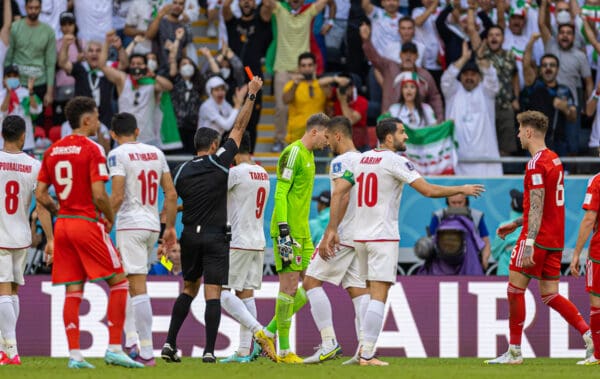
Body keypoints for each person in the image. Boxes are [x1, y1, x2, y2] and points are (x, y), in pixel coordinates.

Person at [320, 117, 484, 366]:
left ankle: (362, 350)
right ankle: (367, 354)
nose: (406, 136)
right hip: (382, 237)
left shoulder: (361, 159)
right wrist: (460, 188)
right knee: (379, 294)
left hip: (360, 237)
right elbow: (427, 190)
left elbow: (340, 190)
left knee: (366, 293)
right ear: (389, 138)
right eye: (402, 132)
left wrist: (332, 227)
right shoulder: (396, 161)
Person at [35, 96, 144, 369]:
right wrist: (109, 216)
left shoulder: (52, 150)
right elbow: (98, 194)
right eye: (96, 117)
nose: (99, 122)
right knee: (119, 281)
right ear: (86, 120)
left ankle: (75, 355)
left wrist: (60, 208)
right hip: (86, 223)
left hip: (64, 226)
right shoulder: (93, 149)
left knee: (73, 289)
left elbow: (40, 195)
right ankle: (115, 348)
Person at [160, 76, 263, 364]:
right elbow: (240, 126)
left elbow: (174, 200)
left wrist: (166, 226)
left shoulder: (180, 171)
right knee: (213, 293)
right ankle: (208, 351)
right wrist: (251, 95)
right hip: (217, 236)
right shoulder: (220, 162)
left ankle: (169, 344)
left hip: (189, 235)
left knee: (188, 289)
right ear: (216, 143)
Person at [485, 110, 593, 365]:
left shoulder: (535, 163)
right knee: (550, 294)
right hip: (555, 238)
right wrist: (515, 222)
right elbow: (545, 205)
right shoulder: (555, 160)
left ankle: (514, 352)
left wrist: (529, 240)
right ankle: (589, 336)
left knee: (514, 290)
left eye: (520, 129)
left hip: (537, 238)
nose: (518, 134)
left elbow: (536, 205)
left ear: (529, 131)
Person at [253, 113, 330, 364]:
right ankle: (284, 351)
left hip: (304, 232)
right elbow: (281, 192)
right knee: (288, 287)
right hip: (288, 231)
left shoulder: (309, 156)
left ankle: (268, 332)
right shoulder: (293, 153)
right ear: (315, 131)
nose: (327, 142)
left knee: (312, 283)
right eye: (326, 136)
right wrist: (284, 228)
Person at [107, 112, 177, 366]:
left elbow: (115, 197)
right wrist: (169, 227)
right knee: (127, 283)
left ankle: (146, 351)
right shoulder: (156, 153)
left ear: (113, 135)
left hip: (130, 225)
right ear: (137, 131)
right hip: (151, 226)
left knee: (136, 287)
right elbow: (170, 193)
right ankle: (132, 341)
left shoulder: (116, 154)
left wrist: (105, 222)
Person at [303, 116, 369, 365]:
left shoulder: (340, 162)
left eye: (329, 138)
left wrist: (331, 231)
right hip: (361, 233)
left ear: (338, 136)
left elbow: (340, 197)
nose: (327, 143)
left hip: (342, 233)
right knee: (358, 291)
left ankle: (329, 342)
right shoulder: (364, 160)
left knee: (310, 282)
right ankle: (365, 349)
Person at [0, 115, 49, 365]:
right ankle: (5, 348)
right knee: (14, 292)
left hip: (0, 235)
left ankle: (11, 350)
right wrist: (49, 237)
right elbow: (41, 204)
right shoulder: (34, 165)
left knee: (2, 293)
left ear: (1, 135)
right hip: (21, 235)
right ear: (22, 137)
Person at [219, 131, 270, 363]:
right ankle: (243, 351)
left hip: (238, 240)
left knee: (223, 294)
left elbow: (213, 195)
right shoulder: (263, 173)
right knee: (246, 295)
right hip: (257, 241)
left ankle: (259, 331)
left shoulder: (235, 174)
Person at [441, 42, 502, 176]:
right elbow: (446, 79)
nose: (469, 77)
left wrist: (481, 59)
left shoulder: (486, 92)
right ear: (460, 77)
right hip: (458, 160)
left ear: (479, 77)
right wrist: (463, 58)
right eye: (465, 74)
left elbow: (492, 79)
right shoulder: (453, 92)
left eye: (473, 74)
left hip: (485, 161)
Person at [223, 0, 273, 153]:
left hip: (254, 80)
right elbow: (225, 7)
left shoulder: (261, 22)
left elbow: (269, 6)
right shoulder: (233, 23)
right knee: (232, 122)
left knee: (252, 123)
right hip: (234, 82)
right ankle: (230, 157)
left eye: (250, 0)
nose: (246, 2)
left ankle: (248, 156)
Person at [571, 148, 600, 365]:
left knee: (597, 303)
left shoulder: (597, 181)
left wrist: (576, 253)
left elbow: (589, 219)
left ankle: (597, 355)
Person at [5, 0, 56, 114]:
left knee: (38, 126)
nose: (33, 11)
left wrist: (49, 92)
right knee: (16, 121)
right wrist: (6, 84)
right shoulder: (15, 27)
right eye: (30, 7)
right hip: (18, 84)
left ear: (40, 8)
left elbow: (50, 63)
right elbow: (8, 57)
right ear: (25, 7)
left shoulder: (48, 31)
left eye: (36, 8)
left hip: (40, 84)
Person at [429, 193, 492, 271]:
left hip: (471, 262)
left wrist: (485, 258)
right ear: (447, 201)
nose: (457, 206)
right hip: (443, 263)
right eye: (453, 203)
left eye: (460, 202)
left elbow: (486, 241)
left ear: (466, 201)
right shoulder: (438, 216)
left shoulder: (476, 215)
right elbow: (430, 242)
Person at [282, 52, 335, 143]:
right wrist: (295, 85)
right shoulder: (292, 85)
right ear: (299, 68)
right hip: (297, 137)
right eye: (303, 66)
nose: (307, 68)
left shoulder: (322, 85)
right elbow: (285, 100)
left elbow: (330, 106)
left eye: (310, 65)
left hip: (320, 137)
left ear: (315, 66)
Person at [0, 65, 41, 154]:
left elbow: (35, 110)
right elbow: (2, 111)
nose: (12, 78)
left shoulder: (27, 93)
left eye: (15, 76)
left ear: (19, 77)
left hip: (26, 143)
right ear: (4, 78)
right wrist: (8, 93)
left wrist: (31, 91)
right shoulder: (1, 95)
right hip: (5, 144)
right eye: (9, 76)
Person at [492, 189, 524, 276]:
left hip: (506, 269)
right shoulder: (536, 225)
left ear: (512, 205)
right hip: (529, 269)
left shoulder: (504, 226)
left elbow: (495, 251)